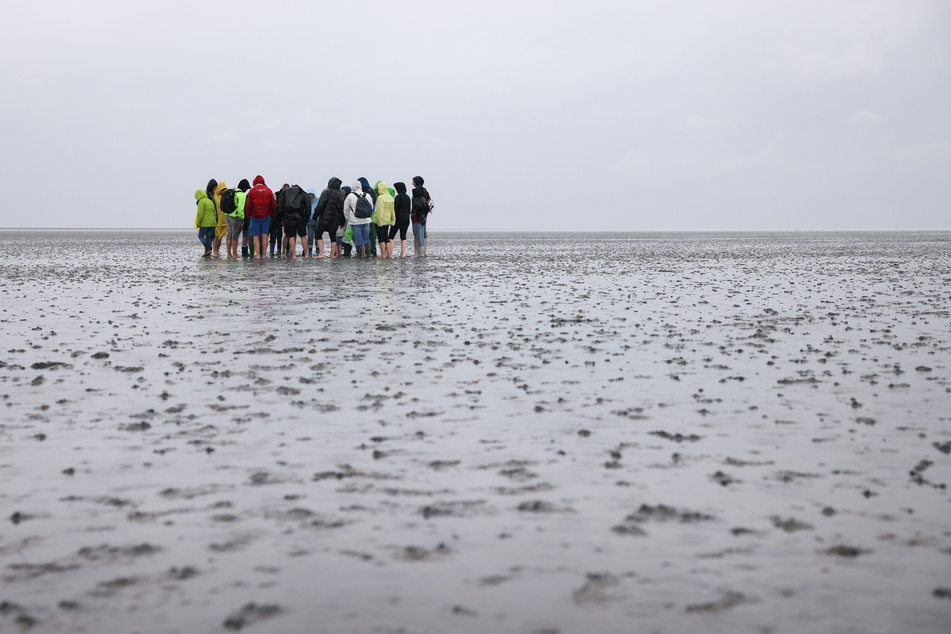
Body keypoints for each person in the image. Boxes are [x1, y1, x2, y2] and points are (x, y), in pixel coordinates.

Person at [313, 177, 344, 259]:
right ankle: (332, 254)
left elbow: (320, 205)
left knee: (318, 234)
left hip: (325, 217)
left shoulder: (326, 191)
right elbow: (342, 210)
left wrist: (315, 216)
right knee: (333, 235)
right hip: (336, 219)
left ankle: (321, 254)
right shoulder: (341, 194)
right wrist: (342, 222)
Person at [245, 175, 276, 260]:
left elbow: (248, 205)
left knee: (255, 236)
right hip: (266, 216)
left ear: (254, 182)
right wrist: (271, 214)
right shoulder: (269, 191)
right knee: (265, 235)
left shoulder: (252, 191)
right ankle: (264, 254)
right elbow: (273, 205)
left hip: (254, 216)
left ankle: (258, 254)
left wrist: (248, 215)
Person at [281, 184, 311, 259]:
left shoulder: (286, 193)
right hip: (301, 218)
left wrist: (283, 218)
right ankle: (306, 254)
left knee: (291, 236)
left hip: (289, 218)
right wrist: (306, 218)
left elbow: (280, 206)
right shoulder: (303, 194)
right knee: (303, 236)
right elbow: (308, 207)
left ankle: (293, 254)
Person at [344, 181, 373, 258]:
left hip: (355, 221)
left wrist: (348, 218)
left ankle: (360, 256)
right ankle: (368, 255)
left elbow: (346, 209)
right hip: (366, 220)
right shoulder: (368, 195)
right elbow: (371, 208)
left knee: (358, 239)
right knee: (366, 238)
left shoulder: (350, 196)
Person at [225, 179, 249, 259]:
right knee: (235, 236)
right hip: (236, 217)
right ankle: (235, 253)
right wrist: (241, 218)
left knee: (229, 235)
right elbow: (241, 208)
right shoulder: (242, 195)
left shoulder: (233, 191)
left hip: (227, 215)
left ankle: (229, 254)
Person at [373, 181, 395, 259]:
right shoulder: (391, 197)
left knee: (381, 238)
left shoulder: (380, 198)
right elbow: (392, 210)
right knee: (386, 237)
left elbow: (380, 211)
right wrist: (393, 220)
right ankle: (389, 254)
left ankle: (383, 254)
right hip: (388, 220)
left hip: (380, 220)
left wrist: (379, 221)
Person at [411, 176, 431, 257]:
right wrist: (425, 212)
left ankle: (420, 254)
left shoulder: (417, 193)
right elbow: (430, 203)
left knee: (419, 235)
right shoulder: (425, 192)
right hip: (423, 216)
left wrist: (413, 214)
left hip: (417, 216)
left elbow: (417, 205)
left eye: (413, 181)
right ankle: (422, 253)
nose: (412, 183)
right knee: (422, 235)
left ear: (416, 182)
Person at [390, 181, 411, 258]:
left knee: (391, 236)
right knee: (403, 236)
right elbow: (409, 209)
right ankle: (402, 254)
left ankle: (390, 254)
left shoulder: (398, 197)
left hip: (398, 217)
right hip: (406, 218)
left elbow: (395, 209)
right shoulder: (408, 197)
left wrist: (392, 218)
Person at [358, 177, 378, 257]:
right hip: (369, 215)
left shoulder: (367, 191)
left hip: (368, 216)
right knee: (368, 235)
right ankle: (369, 251)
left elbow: (373, 204)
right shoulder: (370, 191)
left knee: (369, 235)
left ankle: (371, 252)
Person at [195, 189, 217, 257]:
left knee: (200, 236)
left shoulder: (201, 202)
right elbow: (214, 212)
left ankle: (208, 248)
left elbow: (200, 214)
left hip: (205, 223)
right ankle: (208, 252)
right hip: (213, 223)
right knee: (209, 237)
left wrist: (198, 223)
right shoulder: (210, 201)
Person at [271, 184, 289, 257]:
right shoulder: (277, 194)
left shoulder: (288, 195)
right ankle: (279, 250)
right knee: (278, 235)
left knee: (287, 234)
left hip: (285, 217)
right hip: (277, 217)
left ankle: (286, 250)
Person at [213, 181, 229, 257]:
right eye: (222, 189)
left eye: (224, 189)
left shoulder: (225, 196)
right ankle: (215, 252)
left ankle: (217, 251)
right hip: (216, 220)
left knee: (220, 237)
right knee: (216, 236)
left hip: (223, 221)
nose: (223, 191)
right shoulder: (214, 196)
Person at [306, 188, 319, 258]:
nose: (311, 196)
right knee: (310, 237)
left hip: (318, 221)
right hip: (309, 223)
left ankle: (318, 250)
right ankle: (310, 251)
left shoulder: (318, 200)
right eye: (309, 195)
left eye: (312, 195)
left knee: (317, 237)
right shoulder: (306, 201)